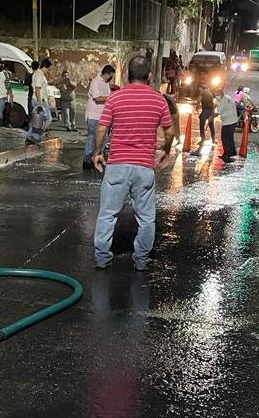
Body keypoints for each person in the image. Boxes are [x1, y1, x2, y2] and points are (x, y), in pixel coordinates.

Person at [92, 55, 175, 271]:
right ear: (149, 76)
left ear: (128, 75)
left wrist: (97, 153)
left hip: (117, 165)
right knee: (146, 218)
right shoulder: (159, 99)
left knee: (108, 214)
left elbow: (102, 128)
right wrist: (165, 151)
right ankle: (141, 260)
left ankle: (102, 258)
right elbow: (170, 130)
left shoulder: (115, 98)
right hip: (144, 167)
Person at [83, 64, 115, 169]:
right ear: (108, 74)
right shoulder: (96, 82)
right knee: (92, 138)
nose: (112, 78)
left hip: (102, 115)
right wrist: (111, 97)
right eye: (111, 75)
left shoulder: (106, 84)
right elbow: (97, 98)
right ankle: (87, 160)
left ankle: (95, 158)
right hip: (94, 115)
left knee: (101, 139)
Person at [214, 86, 238, 162]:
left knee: (225, 139)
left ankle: (227, 155)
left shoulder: (222, 102)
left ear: (221, 94)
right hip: (233, 121)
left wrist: (209, 118)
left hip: (228, 123)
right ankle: (232, 151)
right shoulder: (228, 97)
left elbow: (217, 113)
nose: (215, 96)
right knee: (230, 137)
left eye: (216, 94)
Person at [31, 58, 53, 129]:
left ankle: (32, 135)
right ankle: (37, 133)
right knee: (47, 119)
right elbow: (37, 89)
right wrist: (40, 103)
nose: (48, 71)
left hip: (39, 99)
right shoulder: (39, 74)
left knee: (37, 120)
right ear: (45, 67)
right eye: (48, 69)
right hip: (39, 100)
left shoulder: (38, 73)